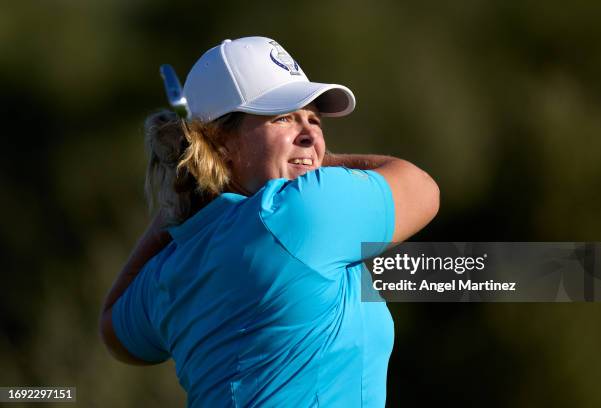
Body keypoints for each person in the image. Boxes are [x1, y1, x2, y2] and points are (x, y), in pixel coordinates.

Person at [99, 36, 439, 407]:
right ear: (221, 141)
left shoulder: (169, 270)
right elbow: (423, 188)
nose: (310, 135)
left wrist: (175, 208)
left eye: (313, 119)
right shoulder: (300, 212)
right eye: (283, 117)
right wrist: (319, 162)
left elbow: (112, 327)